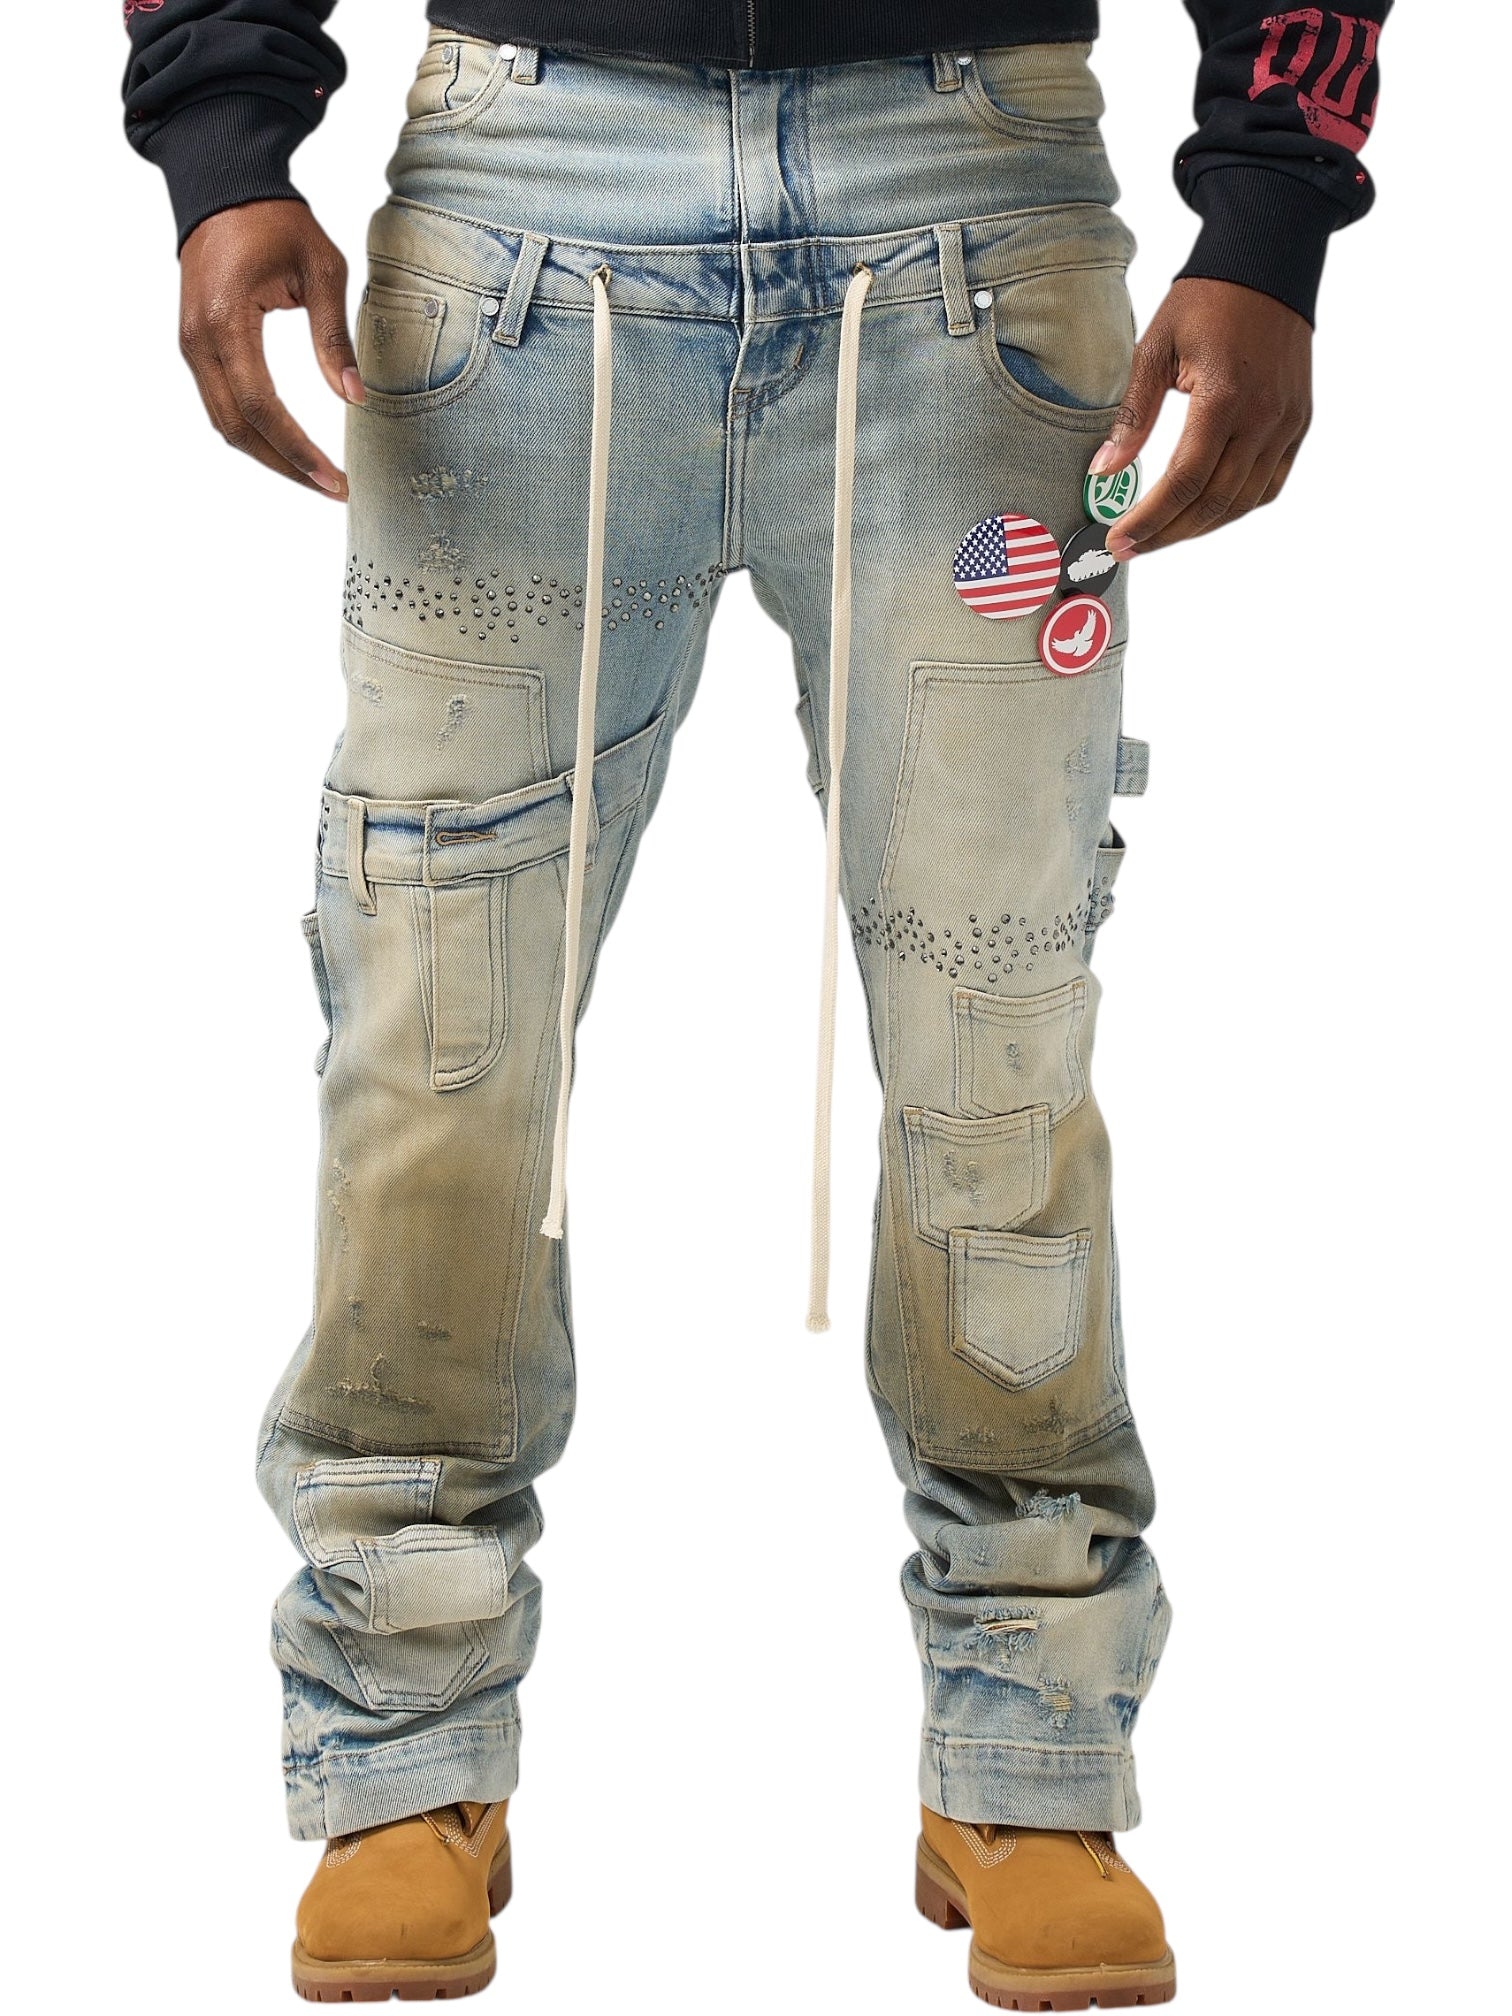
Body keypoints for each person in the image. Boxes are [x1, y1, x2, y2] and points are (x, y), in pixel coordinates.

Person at [122, 3, 1389, 2005]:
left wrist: (1273, 209)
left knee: (995, 1027)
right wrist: (223, 138)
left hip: (970, 212)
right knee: (437, 1028)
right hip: (523, 214)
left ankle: (1030, 1753)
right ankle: (402, 1752)